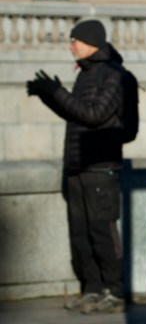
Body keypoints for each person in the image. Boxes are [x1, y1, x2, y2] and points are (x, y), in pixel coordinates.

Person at [26, 20, 127, 313]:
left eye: (75, 40)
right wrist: (50, 96)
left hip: (100, 167)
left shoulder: (112, 74)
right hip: (76, 165)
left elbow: (94, 115)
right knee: (80, 234)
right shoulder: (86, 73)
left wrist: (57, 92)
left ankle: (115, 292)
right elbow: (77, 115)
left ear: (91, 42)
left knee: (102, 232)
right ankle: (93, 289)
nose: (71, 45)